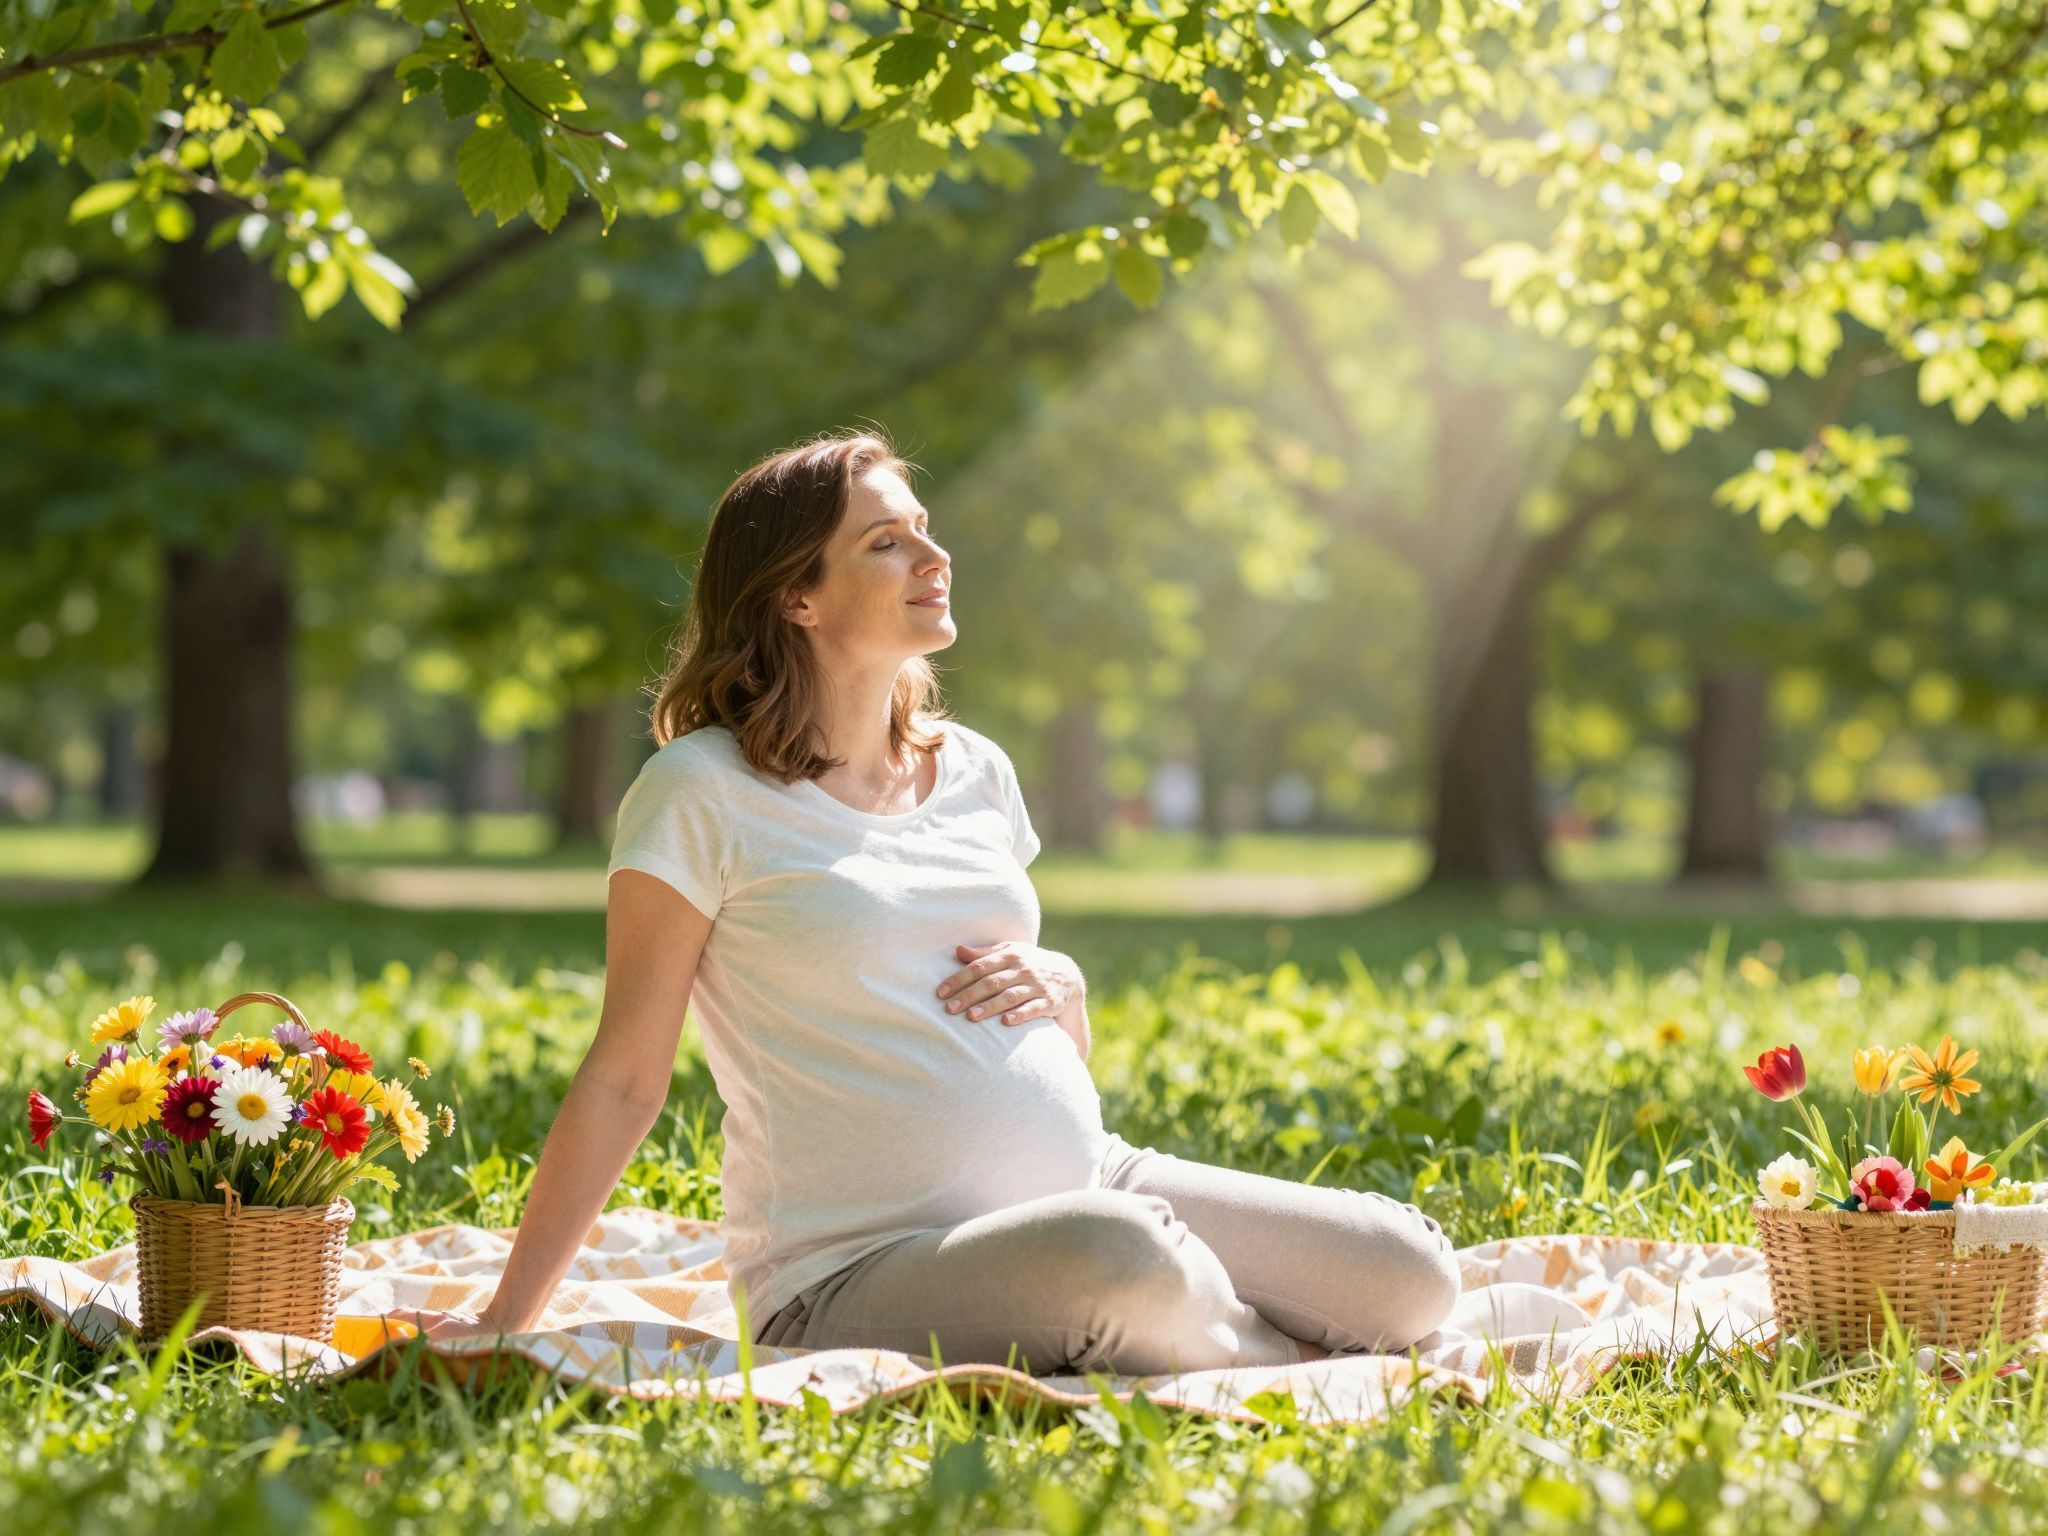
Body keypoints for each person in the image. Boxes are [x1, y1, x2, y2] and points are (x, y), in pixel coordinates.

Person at [391, 427, 1460, 1374]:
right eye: (885, 542)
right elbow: (626, 1076)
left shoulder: (977, 770)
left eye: (924, 528)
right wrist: (506, 1314)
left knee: (1409, 1273)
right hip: (856, 1268)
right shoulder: (699, 792)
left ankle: (1207, 1327)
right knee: (1122, 1261)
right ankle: (1276, 1352)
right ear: (793, 597)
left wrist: (1067, 984)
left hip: (1089, 1180)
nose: (934, 557)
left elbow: (1040, 1040)